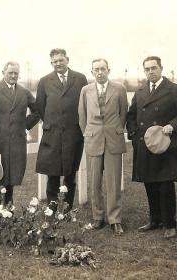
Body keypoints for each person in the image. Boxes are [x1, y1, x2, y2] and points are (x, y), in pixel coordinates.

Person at [126, 56, 177, 239]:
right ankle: (155, 220)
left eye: (153, 68)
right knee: (150, 183)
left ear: (161, 68)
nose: (150, 72)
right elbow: (131, 115)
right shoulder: (139, 91)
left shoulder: (173, 89)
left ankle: (170, 223)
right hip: (145, 143)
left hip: (166, 143)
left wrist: (173, 124)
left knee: (165, 184)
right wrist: (133, 133)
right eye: (147, 69)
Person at [78, 58, 128, 234]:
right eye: (96, 69)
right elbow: (82, 116)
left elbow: (123, 114)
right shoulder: (85, 90)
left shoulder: (120, 89)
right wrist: (89, 132)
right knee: (94, 180)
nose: (100, 72)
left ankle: (115, 219)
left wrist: (115, 130)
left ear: (108, 70)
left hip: (113, 139)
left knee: (113, 181)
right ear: (92, 72)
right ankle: (98, 217)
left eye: (103, 69)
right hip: (93, 139)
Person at [36, 48, 87, 211]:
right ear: (51, 63)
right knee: (53, 173)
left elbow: (84, 103)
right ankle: (52, 208)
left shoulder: (80, 78)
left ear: (67, 60)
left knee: (70, 173)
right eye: (55, 61)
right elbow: (41, 107)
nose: (58, 63)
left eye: (61, 60)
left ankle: (66, 209)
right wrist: (53, 123)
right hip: (53, 134)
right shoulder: (44, 81)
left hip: (74, 134)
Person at [0, 61, 39, 206]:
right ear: (3, 73)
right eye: (10, 73)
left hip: (16, 144)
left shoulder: (24, 92)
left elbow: (38, 110)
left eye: (16, 73)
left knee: (11, 178)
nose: (13, 76)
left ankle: (8, 210)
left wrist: (24, 125)